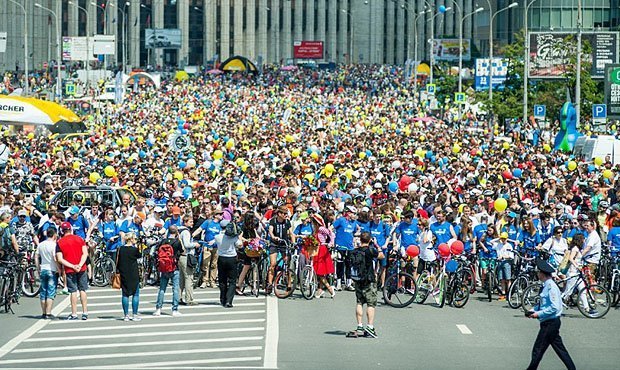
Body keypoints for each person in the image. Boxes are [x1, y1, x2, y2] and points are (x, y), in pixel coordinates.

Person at [525, 259, 576, 370]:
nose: (537, 274)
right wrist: (533, 310)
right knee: (560, 350)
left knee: (538, 350)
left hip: (550, 322)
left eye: (538, 272)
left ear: (542, 273)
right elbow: (543, 304)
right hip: (549, 322)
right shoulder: (546, 285)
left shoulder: (551, 287)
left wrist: (538, 314)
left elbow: (554, 307)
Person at [348, 232, 382, 338]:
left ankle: (359, 325)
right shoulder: (370, 250)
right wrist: (377, 245)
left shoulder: (354, 251)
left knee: (359, 302)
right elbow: (381, 256)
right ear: (370, 240)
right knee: (371, 304)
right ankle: (370, 327)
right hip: (369, 279)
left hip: (358, 280)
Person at [56, 222, 89, 320]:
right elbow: (85, 253)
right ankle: (85, 312)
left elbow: (59, 259)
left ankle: (74, 313)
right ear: (71, 229)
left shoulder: (60, 242)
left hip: (70, 269)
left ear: (62, 231)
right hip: (81, 268)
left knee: (73, 291)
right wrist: (79, 264)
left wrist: (72, 266)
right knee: (82, 290)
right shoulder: (79, 239)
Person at [153, 226, 183, 317]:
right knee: (175, 289)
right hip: (174, 267)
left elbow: (157, 250)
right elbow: (182, 251)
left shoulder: (163, 241)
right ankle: (175, 309)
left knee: (162, 288)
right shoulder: (177, 242)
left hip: (164, 267)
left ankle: (158, 308)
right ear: (176, 232)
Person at [267, 206, 294, 294]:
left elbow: (291, 233)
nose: (286, 215)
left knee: (287, 263)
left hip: (284, 244)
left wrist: (293, 243)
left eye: (286, 213)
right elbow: (270, 231)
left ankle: (289, 283)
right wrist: (273, 237)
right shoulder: (273, 221)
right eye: (284, 213)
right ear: (279, 214)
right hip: (274, 243)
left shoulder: (287, 222)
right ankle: (270, 284)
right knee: (273, 264)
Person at [308, 214, 336, 298]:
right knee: (318, 271)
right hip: (316, 249)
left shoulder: (321, 228)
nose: (312, 223)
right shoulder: (315, 230)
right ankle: (320, 289)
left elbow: (331, 234)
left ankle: (329, 288)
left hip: (322, 249)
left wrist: (331, 243)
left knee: (320, 271)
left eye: (313, 221)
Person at [116, 232, 142, 321]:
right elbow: (139, 255)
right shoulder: (134, 250)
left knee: (125, 294)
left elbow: (118, 261)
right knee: (136, 294)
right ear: (131, 239)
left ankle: (126, 315)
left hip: (123, 273)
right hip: (133, 273)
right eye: (134, 238)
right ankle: (135, 314)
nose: (135, 240)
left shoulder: (121, 249)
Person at [35, 228, 59, 319]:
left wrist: (38, 268)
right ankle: (48, 313)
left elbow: (36, 256)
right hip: (51, 269)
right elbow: (55, 257)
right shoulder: (54, 245)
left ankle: (44, 312)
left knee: (43, 291)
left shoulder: (41, 245)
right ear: (54, 235)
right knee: (50, 292)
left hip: (43, 268)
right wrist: (58, 268)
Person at [214, 219, 239, 307]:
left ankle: (223, 299)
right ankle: (229, 300)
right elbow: (239, 244)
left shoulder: (217, 237)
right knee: (232, 280)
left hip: (221, 258)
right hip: (232, 258)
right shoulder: (233, 236)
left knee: (222, 280)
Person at [177, 215, 198, 305]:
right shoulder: (186, 232)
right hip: (186, 256)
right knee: (189, 278)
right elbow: (187, 244)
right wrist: (195, 244)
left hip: (180, 256)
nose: (192, 223)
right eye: (190, 221)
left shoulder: (179, 230)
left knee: (181, 279)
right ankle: (189, 299)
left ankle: (178, 298)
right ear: (185, 222)